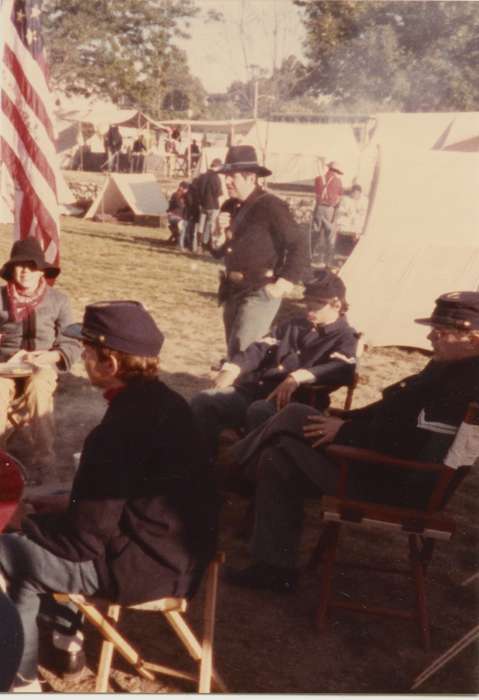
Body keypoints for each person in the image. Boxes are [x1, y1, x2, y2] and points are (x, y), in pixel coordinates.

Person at [0, 300, 218, 692]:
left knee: (9, 552)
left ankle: (20, 680)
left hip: (138, 567)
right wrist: (64, 500)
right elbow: (129, 498)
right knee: (39, 538)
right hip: (180, 557)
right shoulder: (168, 403)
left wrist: (24, 521)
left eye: (86, 350)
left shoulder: (118, 429)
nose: (81, 356)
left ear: (111, 365)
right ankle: (67, 647)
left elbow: (82, 541)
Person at [224, 291, 479, 592]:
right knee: (276, 456)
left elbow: (410, 443)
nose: (429, 337)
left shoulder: (465, 384)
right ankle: (274, 568)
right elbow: (389, 414)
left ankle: (227, 469)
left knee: (291, 417)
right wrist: (345, 423)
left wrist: (345, 433)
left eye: (440, 331)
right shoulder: (447, 366)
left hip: (396, 486)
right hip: (382, 470)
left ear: (473, 338)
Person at [190, 270, 358, 463]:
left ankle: (244, 477)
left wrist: (297, 377)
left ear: (336, 304)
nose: (308, 308)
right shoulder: (293, 325)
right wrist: (231, 369)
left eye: (317, 303)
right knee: (204, 400)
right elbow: (260, 348)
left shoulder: (345, 336)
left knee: (259, 410)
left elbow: (342, 369)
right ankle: (201, 466)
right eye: (307, 301)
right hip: (257, 390)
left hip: (295, 403)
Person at [214, 145, 309, 359]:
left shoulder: (272, 206)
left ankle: (239, 391)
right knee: (234, 350)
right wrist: (218, 232)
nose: (227, 181)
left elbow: (299, 244)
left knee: (244, 352)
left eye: (232, 176)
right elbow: (218, 252)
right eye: (226, 176)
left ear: (250, 178)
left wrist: (283, 283)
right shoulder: (229, 206)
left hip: (260, 290)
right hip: (232, 291)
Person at [0, 238, 80, 484]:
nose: (25, 272)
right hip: (5, 366)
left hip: (41, 365)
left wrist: (52, 355)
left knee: (38, 390)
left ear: (41, 271)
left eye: (31, 267)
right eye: (19, 266)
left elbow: (72, 341)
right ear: (11, 270)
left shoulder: (58, 300)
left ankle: (43, 460)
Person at [311, 161, 343, 267]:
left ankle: (310, 257)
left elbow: (316, 196)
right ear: (336, 171)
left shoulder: (318, 179)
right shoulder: (338, 182)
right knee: (330, 235)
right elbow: (339, 199)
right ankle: (327, 260)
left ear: (329, 169)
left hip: (319, 207)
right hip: (330, 209)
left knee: (315, 233)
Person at [334, 184, 369, 262]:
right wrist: (346, 212)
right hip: (345, 224)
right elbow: (340, 209)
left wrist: (358, 213)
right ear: (351, 193)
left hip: (356, 225)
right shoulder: (345, 199)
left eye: (357, 193)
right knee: (343, 240)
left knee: (353, 242)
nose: (355, 195)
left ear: (360, 193)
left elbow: (364, 212)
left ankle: (350, 258)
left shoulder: (364, 201)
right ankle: (339, 257)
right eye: (354, 193)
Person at [196, 157, 223, 251]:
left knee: (201, 225)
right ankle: (205, 245)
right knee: (209, 226)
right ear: (218, 167)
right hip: (213, 205)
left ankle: (198, 245)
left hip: (203, 205)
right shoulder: (216, 178)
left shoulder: (202, 176)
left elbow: (198, 190)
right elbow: (218, 193)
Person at [166, 180, 189, 249]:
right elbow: (180, 206)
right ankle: (180, 244)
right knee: (183, 224)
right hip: (175, 216)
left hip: (173, 216)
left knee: (183, 224)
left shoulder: (177, 195)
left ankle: (179, 241)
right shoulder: (177, 195)